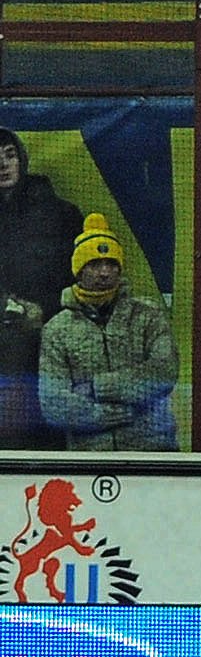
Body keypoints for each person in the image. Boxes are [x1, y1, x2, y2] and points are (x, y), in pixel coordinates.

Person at [38, 214, 178, 452]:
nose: (104, 273)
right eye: (94, 265)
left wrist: (97, 387)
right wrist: (111, 415)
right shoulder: (57, 329)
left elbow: (163, 373)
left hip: (153, 452)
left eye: (111, 264)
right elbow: (54, 403)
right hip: (91, 456)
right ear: (79, 271)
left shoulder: (147, 314)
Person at [0, 128, 83, 450]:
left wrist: (44, 311)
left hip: (49, 340)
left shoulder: (59, 213)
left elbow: (81, 279)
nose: (3, 165)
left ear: (22, 159)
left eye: (9, 155)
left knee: (45, 434)